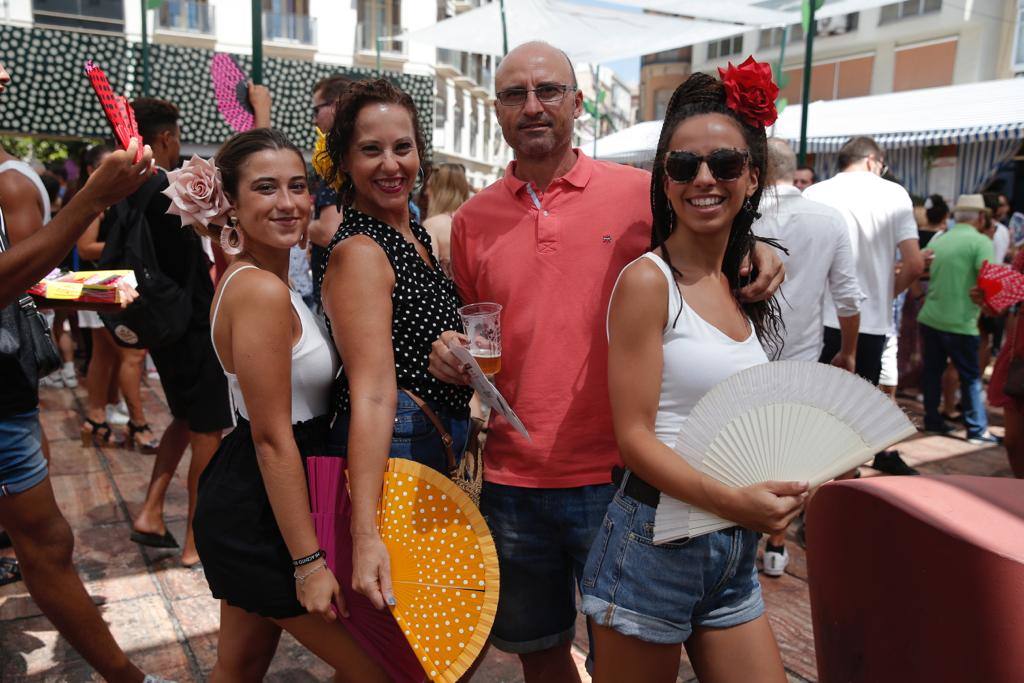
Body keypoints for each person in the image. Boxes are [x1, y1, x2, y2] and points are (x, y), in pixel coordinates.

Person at [427, 41, 784, 683]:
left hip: (620, 477)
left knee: (621, 650)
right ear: (499, 110)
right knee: (540, 651)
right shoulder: (473, 220)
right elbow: (482, 325)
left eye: (549, 91)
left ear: (577, 103)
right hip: (514, 477)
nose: (532, 107)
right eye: (515, 94)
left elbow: (702, 231)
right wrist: (452, 350)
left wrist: (756, 248)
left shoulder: (635, 195)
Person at [580, 66, 806, 683]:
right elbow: (636, 440)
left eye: (725, 164)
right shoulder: (648, 283)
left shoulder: (742, 282)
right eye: (684, 166)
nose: (704, 179)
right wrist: (740, 502)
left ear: (752, 176)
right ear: (666, 181)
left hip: (729, 547)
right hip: (653, 542)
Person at [184, 129, 388, 682]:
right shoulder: (259, 291)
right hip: (265, 509)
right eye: (266, 188)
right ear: (231, 202)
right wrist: (308, 562)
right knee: (379, 672)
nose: (288, 203)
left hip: (269, 494)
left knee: (239, 668)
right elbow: (272, 439)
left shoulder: (272, 278)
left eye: (298, 186)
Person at [0, 59, 166, 682]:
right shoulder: (17, 181)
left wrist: (97, 288)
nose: (6, 73)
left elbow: (30, 284)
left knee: (47, 545)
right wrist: (93, 198)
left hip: (11, 396)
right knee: (46, 545)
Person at [318, 78, 474, 681]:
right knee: (403, 646)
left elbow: (408, 347)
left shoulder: (414, 237)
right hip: (397, 451)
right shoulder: (361, 249)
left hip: (429, 441)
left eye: (403, 148)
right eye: (371, 150)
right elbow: (373, 391)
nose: (391, 164)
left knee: (408, 646)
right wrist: (364, 530)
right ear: (345, 161)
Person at [127, 97, 233, 567]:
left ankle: (151, 512)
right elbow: (223, 228)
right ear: (168, 138)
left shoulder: (130, 185)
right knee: (209, 429)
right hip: (190, 324)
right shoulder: (165, 189)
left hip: (163, 322)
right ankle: (195, 542)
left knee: (188, 418)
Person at [753, 137, 861, 577]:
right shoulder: (828, 219)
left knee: (747, 444)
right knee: (791, 448)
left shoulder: (742, 213)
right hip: (801, 351)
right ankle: (776, 541)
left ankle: (744, 535)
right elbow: (848, 298)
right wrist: (848, 351)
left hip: (741, 349)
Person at [804, 135, 924, 476]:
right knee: (853, 419)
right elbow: (914, 264)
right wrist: (886, 295)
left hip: (817, 320)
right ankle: (839, 495)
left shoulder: (815, 192)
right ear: (873, 160)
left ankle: (811, 496)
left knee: (812, 413)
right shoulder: (893, 194)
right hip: (869, 321)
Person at [919, 195, 999, 445]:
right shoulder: (981, 242)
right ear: (981, 217)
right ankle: (976, 429)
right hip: (961, 320)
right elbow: (991, 280)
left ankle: (932, 420)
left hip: (931, 315)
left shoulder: (942, 239)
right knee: (971, 376)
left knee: (932, 372)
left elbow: (920, 261)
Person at [309, 74, 353, 309]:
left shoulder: (333, 160)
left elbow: (328, 232)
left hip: (335, 297)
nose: (314, 120)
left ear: (336, 105)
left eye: (316, 110)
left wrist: (301, 224)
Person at [422, 162, 472, 277]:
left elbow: (428, 275)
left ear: (441, 191)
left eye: (429, 187)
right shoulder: (476, 221)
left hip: (450, 293)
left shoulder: (433, 224)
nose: (426, 193)